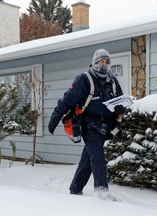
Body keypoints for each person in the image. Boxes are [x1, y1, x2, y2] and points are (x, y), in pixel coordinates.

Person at [48, 48, 125, 197]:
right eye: (100, 62)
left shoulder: (113, 82)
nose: (103, 65)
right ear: (94, 63)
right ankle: (102, 191)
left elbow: (120, 101)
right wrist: (53, 120)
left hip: (106, 126)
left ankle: (75, 189)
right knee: (98, 157)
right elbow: (66, 102)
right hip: (89, 124)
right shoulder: (84, 80)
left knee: (88, 159)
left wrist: (121, 109)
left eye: (106, 62)